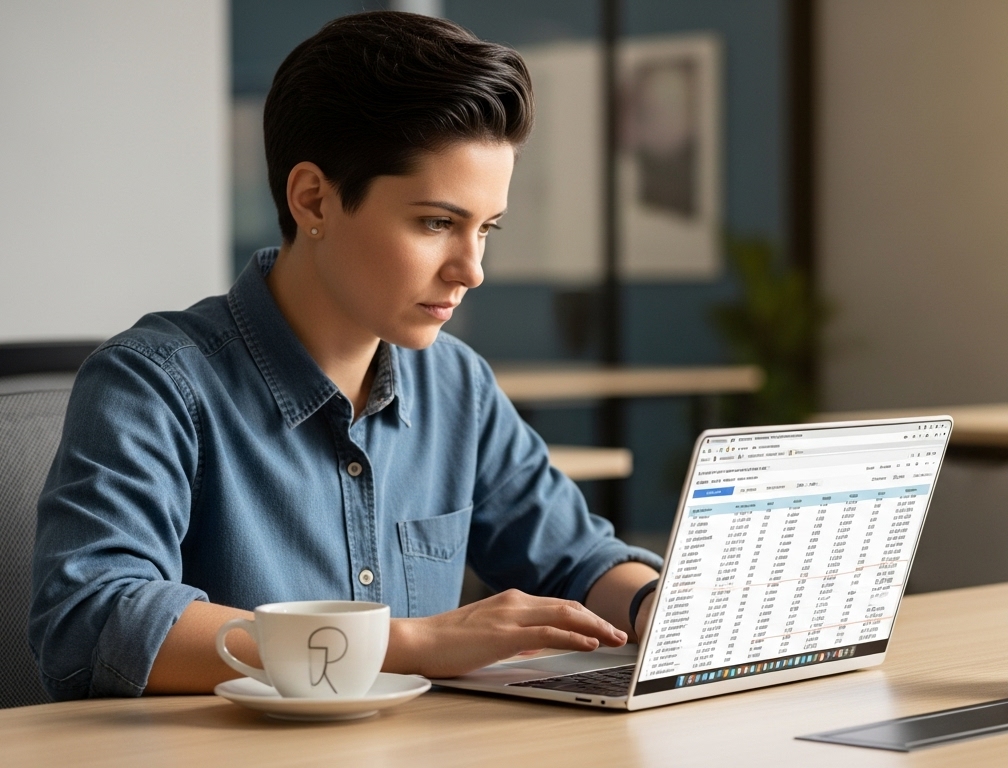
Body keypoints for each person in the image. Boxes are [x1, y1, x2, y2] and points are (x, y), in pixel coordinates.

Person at [28, 11, 662, 700]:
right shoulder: (154, 382)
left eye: (486, 229)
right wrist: (409, 645)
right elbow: (93, 621)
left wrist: (653, 604)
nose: (471, 269)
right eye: (437, 223)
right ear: (313, 200)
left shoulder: (455, 383)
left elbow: (578, 560)